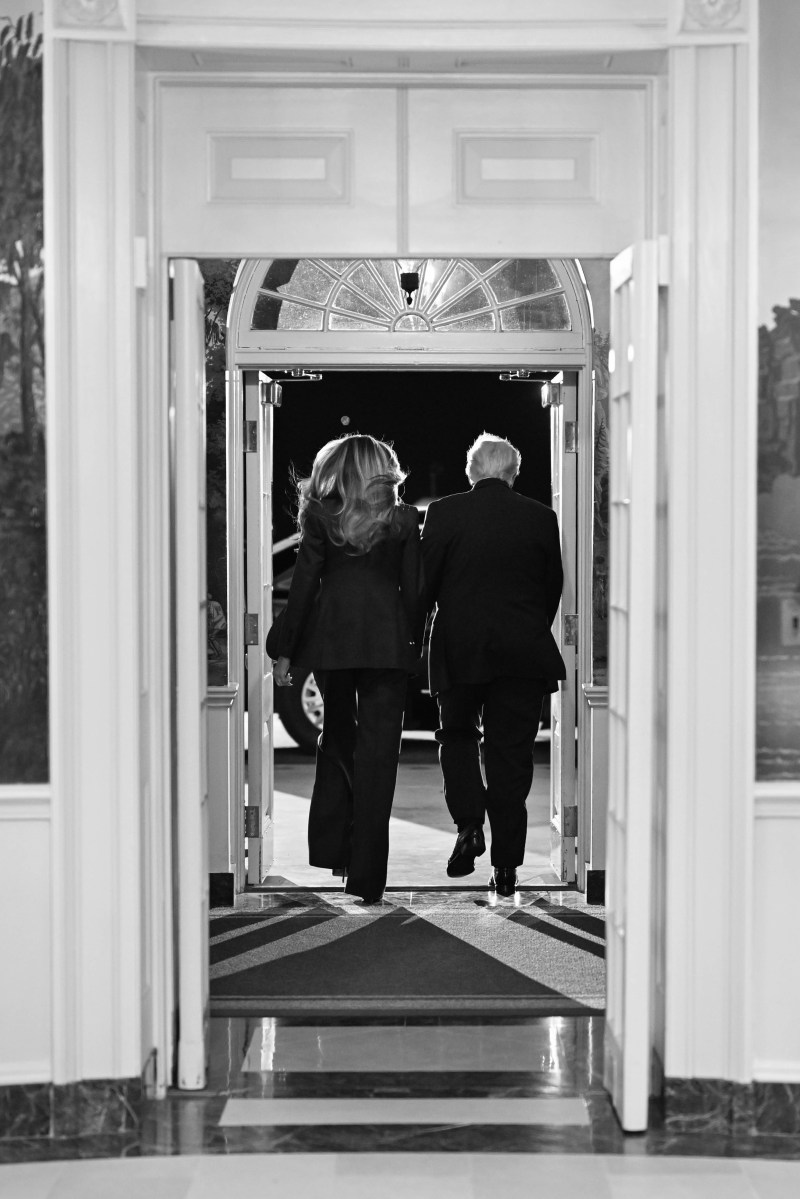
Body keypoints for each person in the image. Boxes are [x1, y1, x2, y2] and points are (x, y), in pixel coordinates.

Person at [273, 434, 424, 904]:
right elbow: (415, 592)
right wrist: (414, 646)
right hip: (387, 647)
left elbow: (302, 586)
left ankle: (338, 851)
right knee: (380, 758)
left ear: (340, 466)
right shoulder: (401, 518)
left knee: (337, 742)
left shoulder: (322, 513)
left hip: (334, 646)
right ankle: (368, 877)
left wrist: (285, 650)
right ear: (382, 468)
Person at [421, 432, 566, 897]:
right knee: (510, 755)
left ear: (472, 472)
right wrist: (524, 627)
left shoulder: (444, 513)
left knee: (457, 737)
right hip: (522, 652)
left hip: (460, 649)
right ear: (512, 473)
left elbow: (426, 586)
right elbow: (552, 588)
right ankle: (506, 868)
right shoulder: (541, 518)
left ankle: (468, 827)